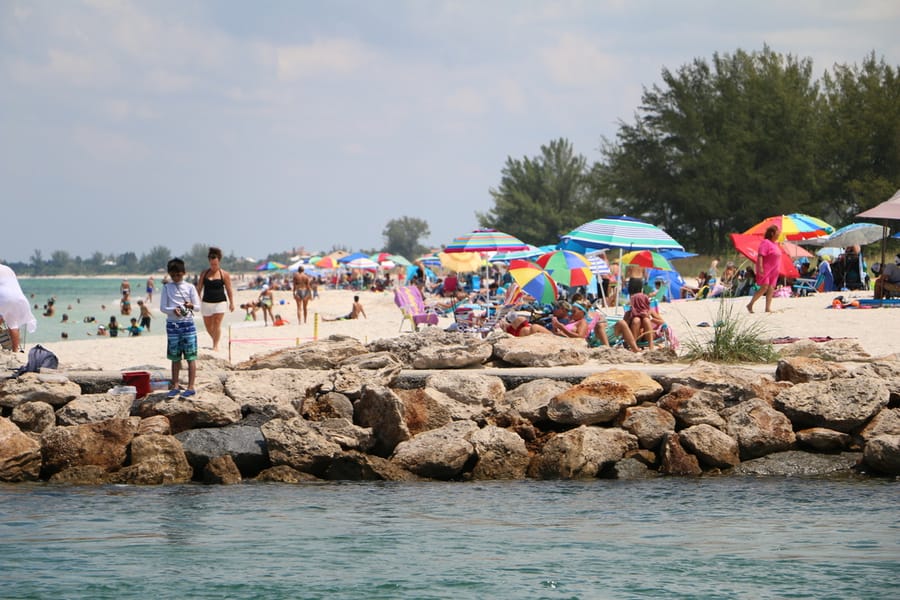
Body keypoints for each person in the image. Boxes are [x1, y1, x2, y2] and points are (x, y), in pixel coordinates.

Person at [160, 257, 200, 398]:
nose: (176, 277)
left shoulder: (190, 287)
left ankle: (191, 387)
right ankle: (175, 385)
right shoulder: (166, 287)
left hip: (188, 324)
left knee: (191, 357)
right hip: (173, 326)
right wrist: (173, 310)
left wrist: (190, 306)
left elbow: (198, 307)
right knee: (175, 357)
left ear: (184, 273)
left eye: (178, 275)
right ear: (169, 274)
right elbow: (163, 308)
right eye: (173, 275)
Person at [196, 247, 235, 352]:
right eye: (212, 264)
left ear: (219, 262)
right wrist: (197, 298)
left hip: (220, 302)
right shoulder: (204, 273)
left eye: (215, 264)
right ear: (209, 262)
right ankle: (215, 339)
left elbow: (229, 289)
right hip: (206, 302)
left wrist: (232, 303)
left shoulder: (224, 274)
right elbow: (199, 287)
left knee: (217, 323)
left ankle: (215, 345)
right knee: (208, 326)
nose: (214, 267)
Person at [0, 262, 37, 352]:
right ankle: (15, 351)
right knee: (13, 324)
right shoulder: (8, 269)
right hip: (19, 298)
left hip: (3, 296)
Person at [747, 225, 781, 313]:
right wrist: (761, 267)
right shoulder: (766, 242)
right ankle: (750, 304)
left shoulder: (775, 244)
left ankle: (767, 308)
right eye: (778, 232)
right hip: (766, 268)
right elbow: (760, 255)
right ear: (772, 233)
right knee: (764, 287)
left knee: (771, 287)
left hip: (775, 269)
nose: (779, 234)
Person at [623, 277, 655, 350]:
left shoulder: (632, 299)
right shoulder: (644, 297)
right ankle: (650, 345)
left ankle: (635, 344)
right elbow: (649, 308)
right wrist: (646, 314)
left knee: (639, 320)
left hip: (639, 328)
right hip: (641, 328)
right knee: (640, 320)